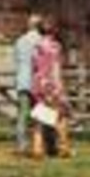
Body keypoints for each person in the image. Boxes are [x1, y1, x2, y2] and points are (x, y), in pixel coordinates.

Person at [30, 15, 70, 158]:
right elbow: (56, 68)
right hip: (52, 84)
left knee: (39, 117)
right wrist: (59, 87)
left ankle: (37, 149)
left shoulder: (36, 47)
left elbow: (34, 67)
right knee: (60, 116)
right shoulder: (55, 47)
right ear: (54, 31)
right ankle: (64, 147)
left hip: (38, 83)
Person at [11, 13, 43, 155]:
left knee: (22, 114)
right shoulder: (41, 42)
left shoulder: (19, 41)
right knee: (39, 114)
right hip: (37, 81)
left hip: (22, 80)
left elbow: (17, 61)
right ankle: (39, 145)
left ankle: (21, 145)